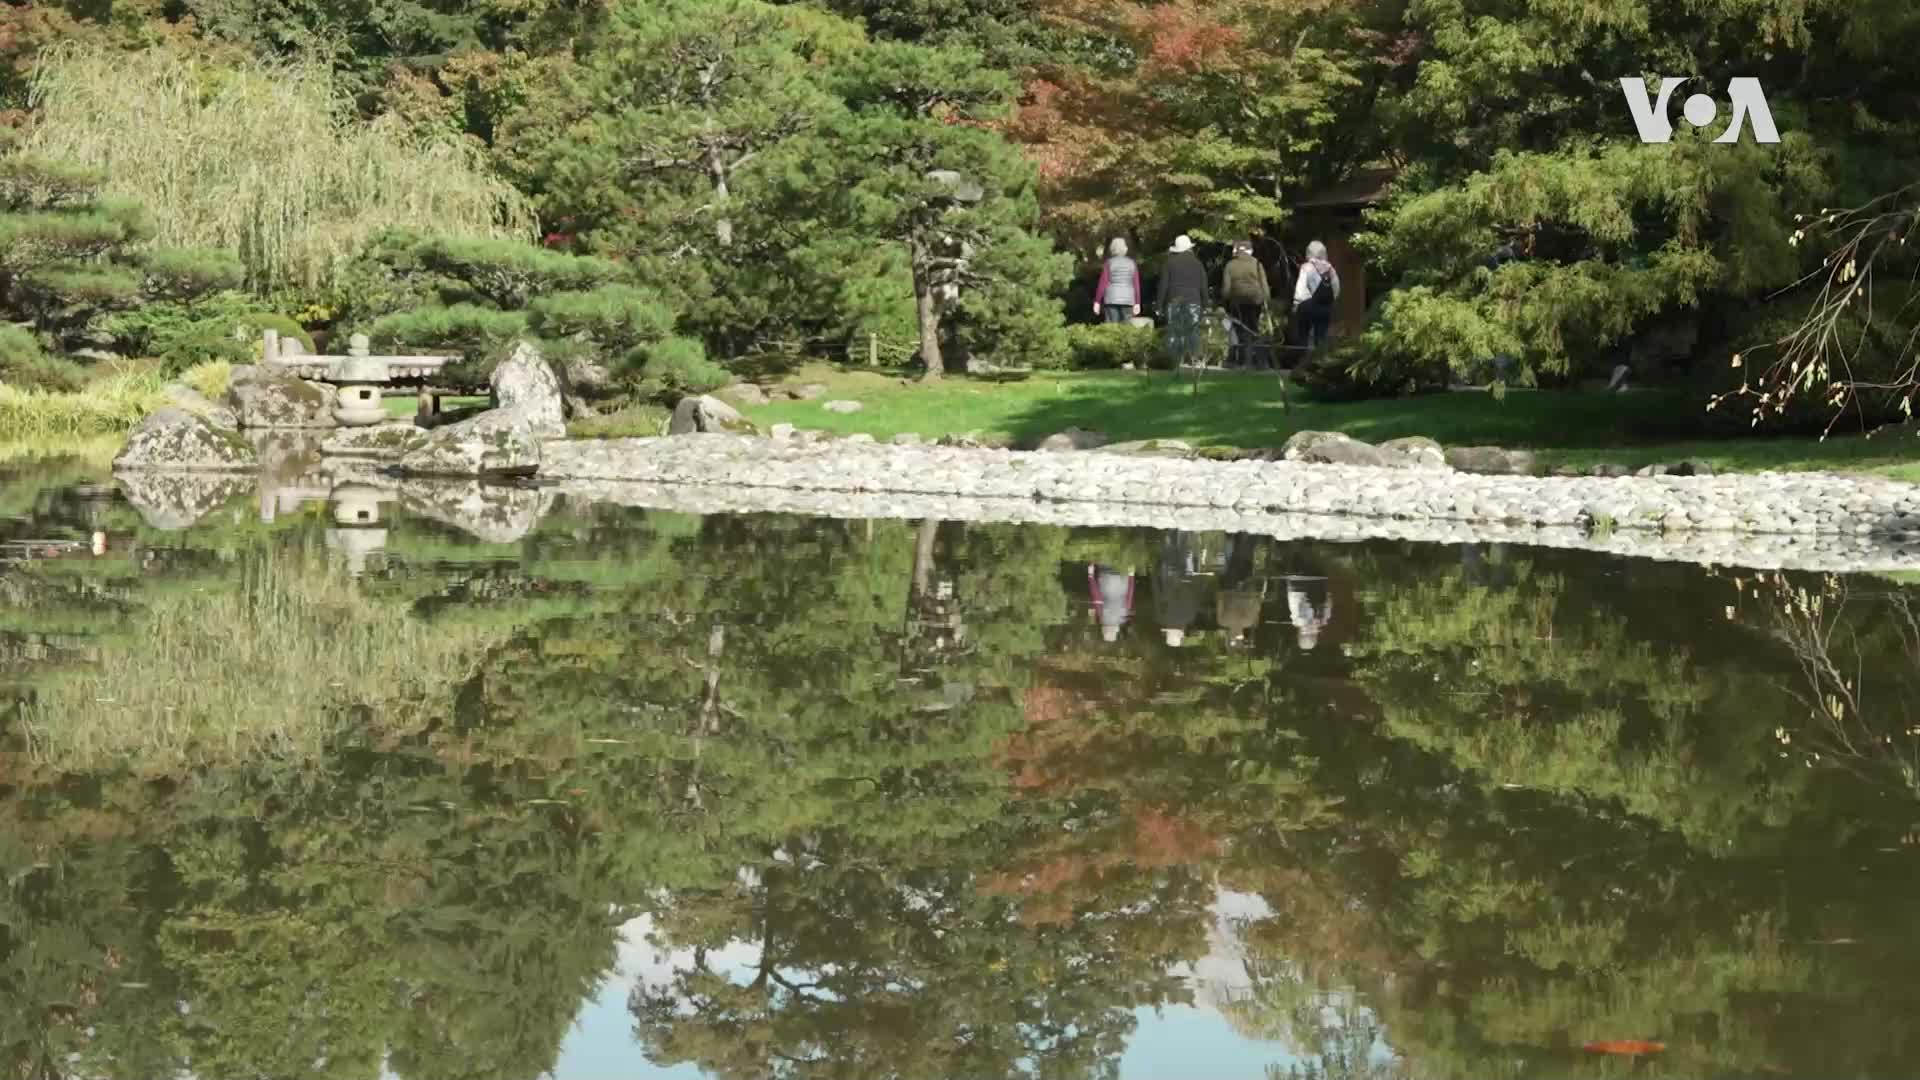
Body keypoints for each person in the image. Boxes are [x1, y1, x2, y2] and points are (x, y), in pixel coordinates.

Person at [1155, 234, 1211, 367]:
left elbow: (1163, 285)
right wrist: (1205, 304)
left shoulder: (1169, 263)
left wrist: (1159, 305)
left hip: (1174, 299)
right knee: (1193, 330)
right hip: (1193, 300)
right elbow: (1203, 286)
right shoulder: (1198, 264)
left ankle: (1173, 360)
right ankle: (1195, 359)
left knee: (1174, 330)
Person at [1220, 240, 1270, 368]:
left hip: (1238, 301)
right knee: (1253, 330)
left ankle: (1241, 361)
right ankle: (1258, 362)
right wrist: (1266, 301)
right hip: (1256, 300)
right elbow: (1264, 285)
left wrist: (1225, 299)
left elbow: (1226, 288)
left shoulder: (1230, 265)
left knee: (1240, 330)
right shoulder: (1257, 264)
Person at [1292, 240, 1340, 352]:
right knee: (1321, 338)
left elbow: (1301, 288)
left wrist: (1296, 304)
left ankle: (1303, 361)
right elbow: (1336, 288)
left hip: (1307, 307)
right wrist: (1329, 301)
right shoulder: (1330, 268)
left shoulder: (1306, 267)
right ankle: (1319, 363)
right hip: (1325, 307)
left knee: (1303, 335)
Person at [1093, 238, 1142, 324]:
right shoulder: (1132, 263)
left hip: (1111, 299)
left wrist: (1097, 301)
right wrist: (1137, 302)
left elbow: (1103, 283)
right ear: (1125, 248)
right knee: (1126, 329)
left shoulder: (1109, 263)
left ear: (1112, 248)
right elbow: (1136, 285)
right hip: (1128, 300)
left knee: (1111, 329)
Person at [1087, 563, 1135, 643]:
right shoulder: (1101, 615)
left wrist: (1131, 575)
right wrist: (1090, 576)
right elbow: (1096, 595)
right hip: (1106, 574)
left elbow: (1130, 593)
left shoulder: (1124, 615)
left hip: (1123, 573)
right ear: (1104, 629)